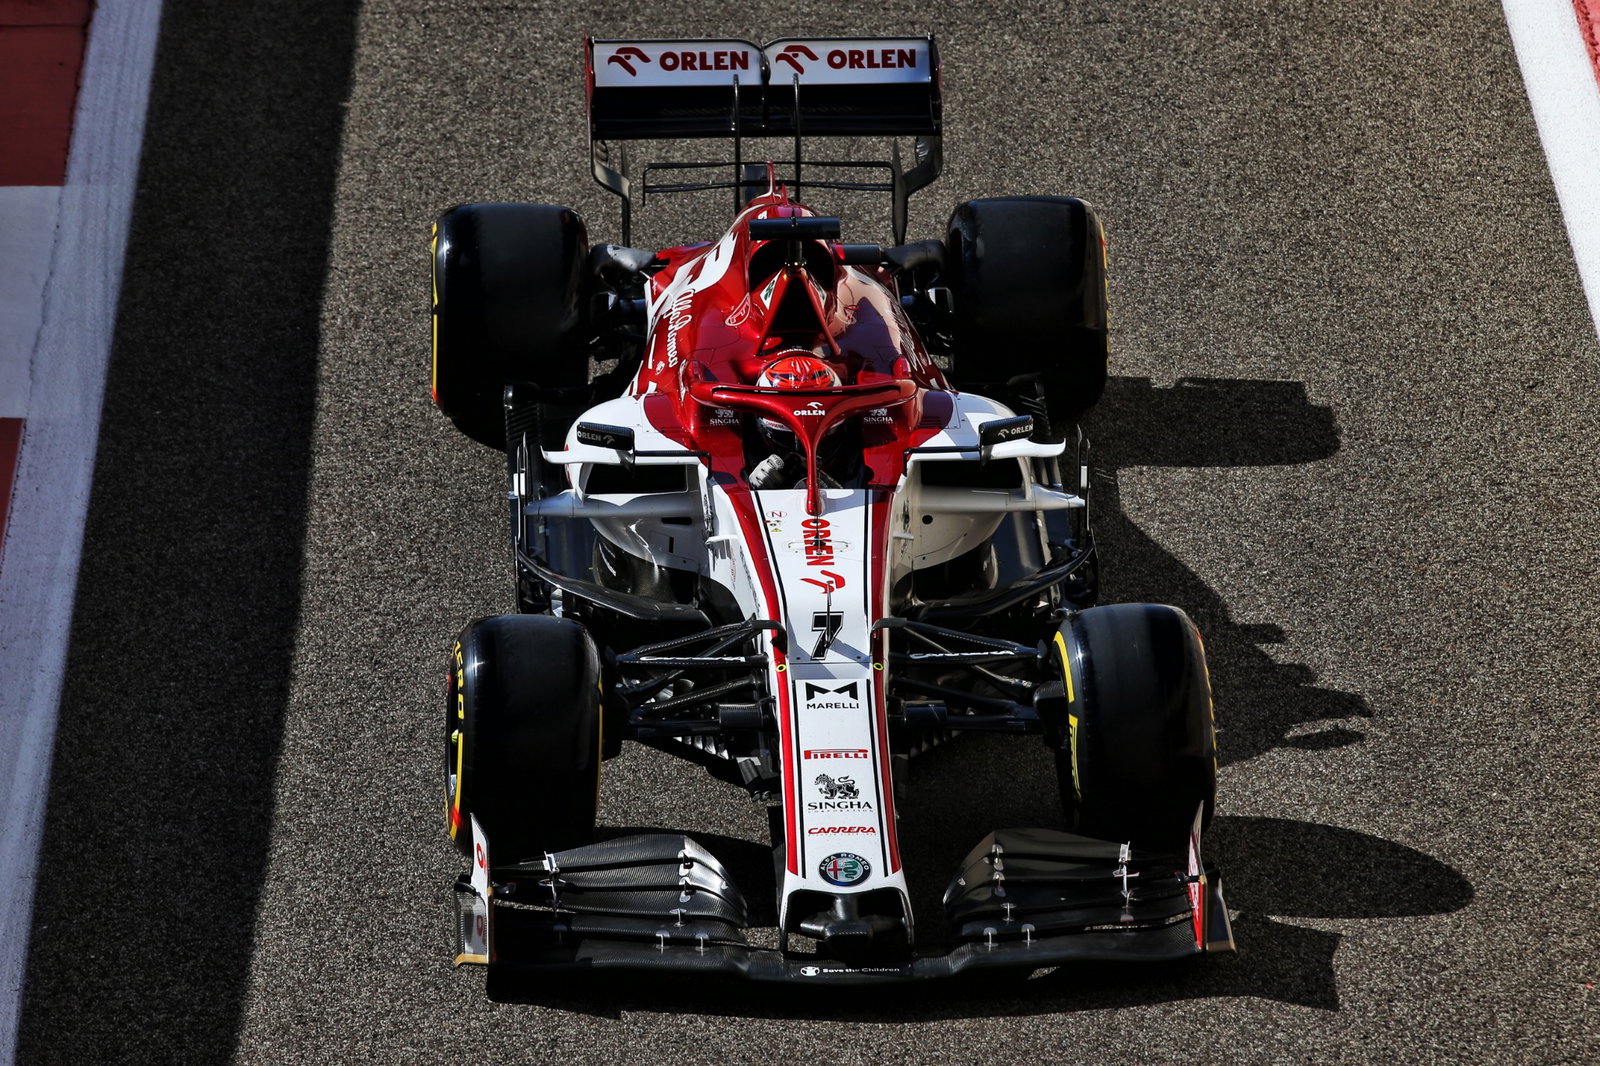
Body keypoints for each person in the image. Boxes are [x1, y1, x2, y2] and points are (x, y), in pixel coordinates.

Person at [747, 352, 848, 490]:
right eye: (787, 436)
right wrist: (749, 486)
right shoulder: (749, 441)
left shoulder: (853, 444)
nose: (803, 450)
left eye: (825, 433)